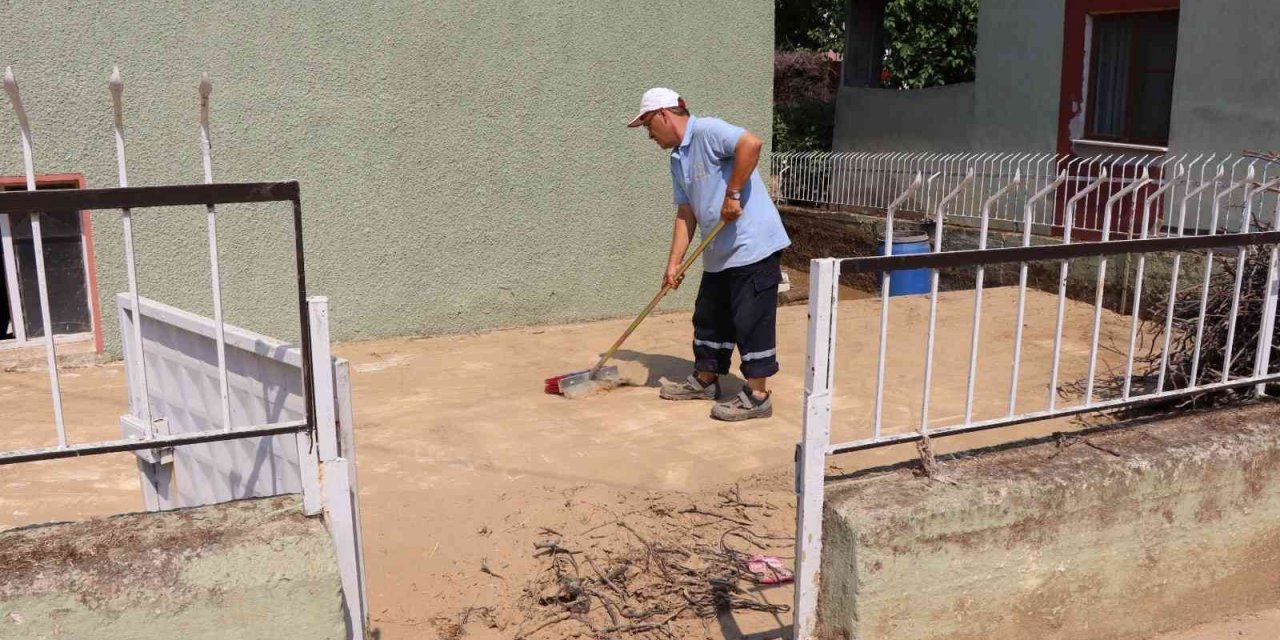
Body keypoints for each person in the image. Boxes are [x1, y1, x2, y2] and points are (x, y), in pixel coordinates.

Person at [627, 87, 791, 422]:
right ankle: (706, 379)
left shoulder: (707, 130)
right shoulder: (677, 159)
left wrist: (733, 193)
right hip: (718, 250)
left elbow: (751, 144)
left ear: (663, 114)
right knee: (710, 316)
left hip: (752, 245)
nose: (649, 135)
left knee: (751, 319)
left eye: (648, 126)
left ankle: (758, 395)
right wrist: (673, 263)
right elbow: (686, 213)